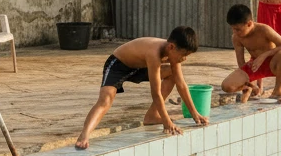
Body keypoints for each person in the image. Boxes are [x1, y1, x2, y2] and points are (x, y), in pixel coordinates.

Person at [75, 28, 208, 149]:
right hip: (118, 65)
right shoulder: (154, 52)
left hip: (140, 67)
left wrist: (195, 115)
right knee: (105, 100)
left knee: (173, 74)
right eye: (183, 55)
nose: (184, 59)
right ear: (172, 47)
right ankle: (84, 135)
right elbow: (155, 93)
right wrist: (166, 121)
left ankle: (152, 116)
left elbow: (182, 85)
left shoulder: (173, 55)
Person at [220, 3, 281, 103]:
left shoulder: (264, 29)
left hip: (273, 64)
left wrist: (263, 56)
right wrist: (249, 84)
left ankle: (277, 91)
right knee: (226, 86)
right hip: (255, 66)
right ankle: (251, 90)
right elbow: (241, 63)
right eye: (233, 29)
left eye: (238, 29)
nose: (235, 32)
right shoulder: (236, 37)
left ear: (249, 24)